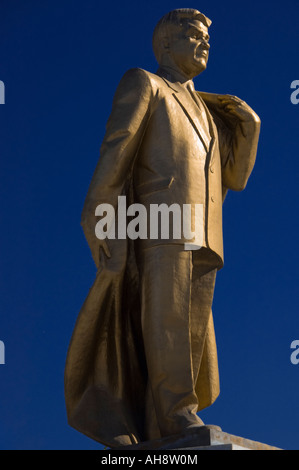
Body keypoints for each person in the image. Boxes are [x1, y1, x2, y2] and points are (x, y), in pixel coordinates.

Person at [64, 8, 260, 448]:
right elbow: (116, 149)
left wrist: (250, 127)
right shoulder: (145, 84)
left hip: (204, 232)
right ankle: (176, 415)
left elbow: (236, 178)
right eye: (193, 35)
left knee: (191, 328)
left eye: (206, 37)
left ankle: (165, 420)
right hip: (158, 223)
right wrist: (99, 213)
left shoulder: (209, 112)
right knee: (166, 319)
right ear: (165, 44)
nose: (204, 43)